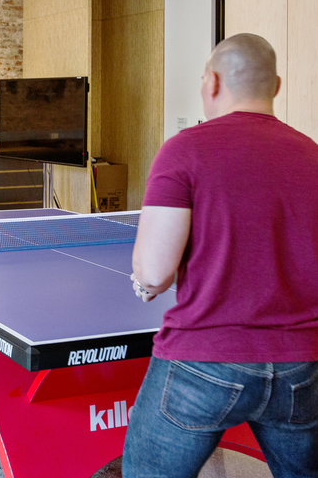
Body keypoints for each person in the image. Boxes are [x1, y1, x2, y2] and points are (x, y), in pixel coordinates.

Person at [122, 33, 318, 478]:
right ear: (277, 86)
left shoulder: (185, 149)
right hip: (301, 366)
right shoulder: (313, 155)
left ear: (211, 82)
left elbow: (153, 272)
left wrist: (146, 285)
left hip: (202, 359)